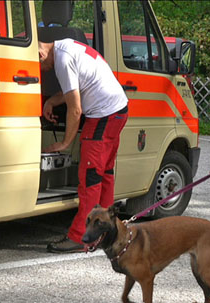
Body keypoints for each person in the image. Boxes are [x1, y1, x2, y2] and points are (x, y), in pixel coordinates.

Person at [38, 38, 129, 253]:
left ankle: (82, 238)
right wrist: (51, 101)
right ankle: (107, 234)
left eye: (39, 67)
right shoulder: (66, 46)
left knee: (90, 180)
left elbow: (76, 109)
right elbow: (75, 89)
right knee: (104, 175)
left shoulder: (63, 60)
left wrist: (64, 142)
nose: (43, 71)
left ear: (41, 55)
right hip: (119, 110)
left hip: (102, 116)